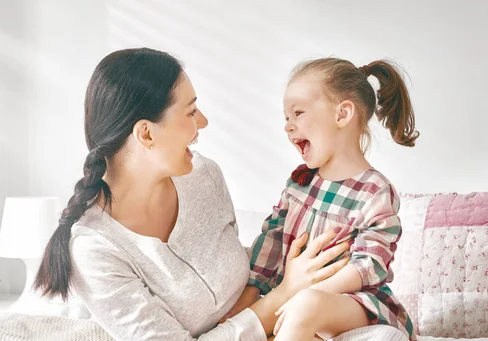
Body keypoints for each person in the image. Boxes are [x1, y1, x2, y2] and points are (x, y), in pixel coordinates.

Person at [32, 48, 350, 340]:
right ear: (145, 132)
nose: (203, 122)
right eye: (190, 111)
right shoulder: (94, 249)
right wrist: (286, 292)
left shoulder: (204, 176)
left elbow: (239, 285)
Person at [228, 58, 419, 341]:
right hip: (295, 310)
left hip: (350, 305)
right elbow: (269, 248)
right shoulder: (298, 184)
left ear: (342, 114)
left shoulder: (375, 190)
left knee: (310, 308)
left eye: (298, 113)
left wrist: (305, 297)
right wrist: (237, 316)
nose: (288, 127)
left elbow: (370, 264)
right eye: (286, 118)